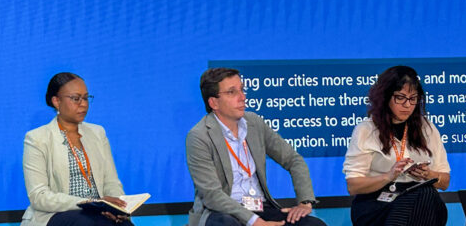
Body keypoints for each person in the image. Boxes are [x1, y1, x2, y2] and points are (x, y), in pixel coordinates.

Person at [186, 67, 327, 226]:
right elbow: (212, 196)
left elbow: (294, 160)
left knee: (313, 224)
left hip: (261, 208)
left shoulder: (254, 123)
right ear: (214, 102)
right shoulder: (199, 136)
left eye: (242, 89)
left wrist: (305, 201)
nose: (242, 97)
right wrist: (255, 222)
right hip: (222, 212)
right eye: (232, 92)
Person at [21, 72, 134, 226]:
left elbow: (111, 182)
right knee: (87, 223)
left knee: (123, 224)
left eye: (86, 98)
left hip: (98, 211)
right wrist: (89, 202)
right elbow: (39, 196)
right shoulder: (37, 139)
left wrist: (116, 207)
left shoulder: (98, 133)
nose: (83, 104)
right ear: (56, 101)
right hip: (57, 214)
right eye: (76, 98)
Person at [343, 65, 450, 225]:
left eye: (413, 98)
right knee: (423, 196)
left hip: (421, 201)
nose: (407, 105)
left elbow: (445, 181)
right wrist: (389, 176)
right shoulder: (366, 129)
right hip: (378, 203)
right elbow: (353, 186)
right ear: (385, 97)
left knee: (426, 193)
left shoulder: (427, 128)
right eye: (400, 97)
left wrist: (428, 175)